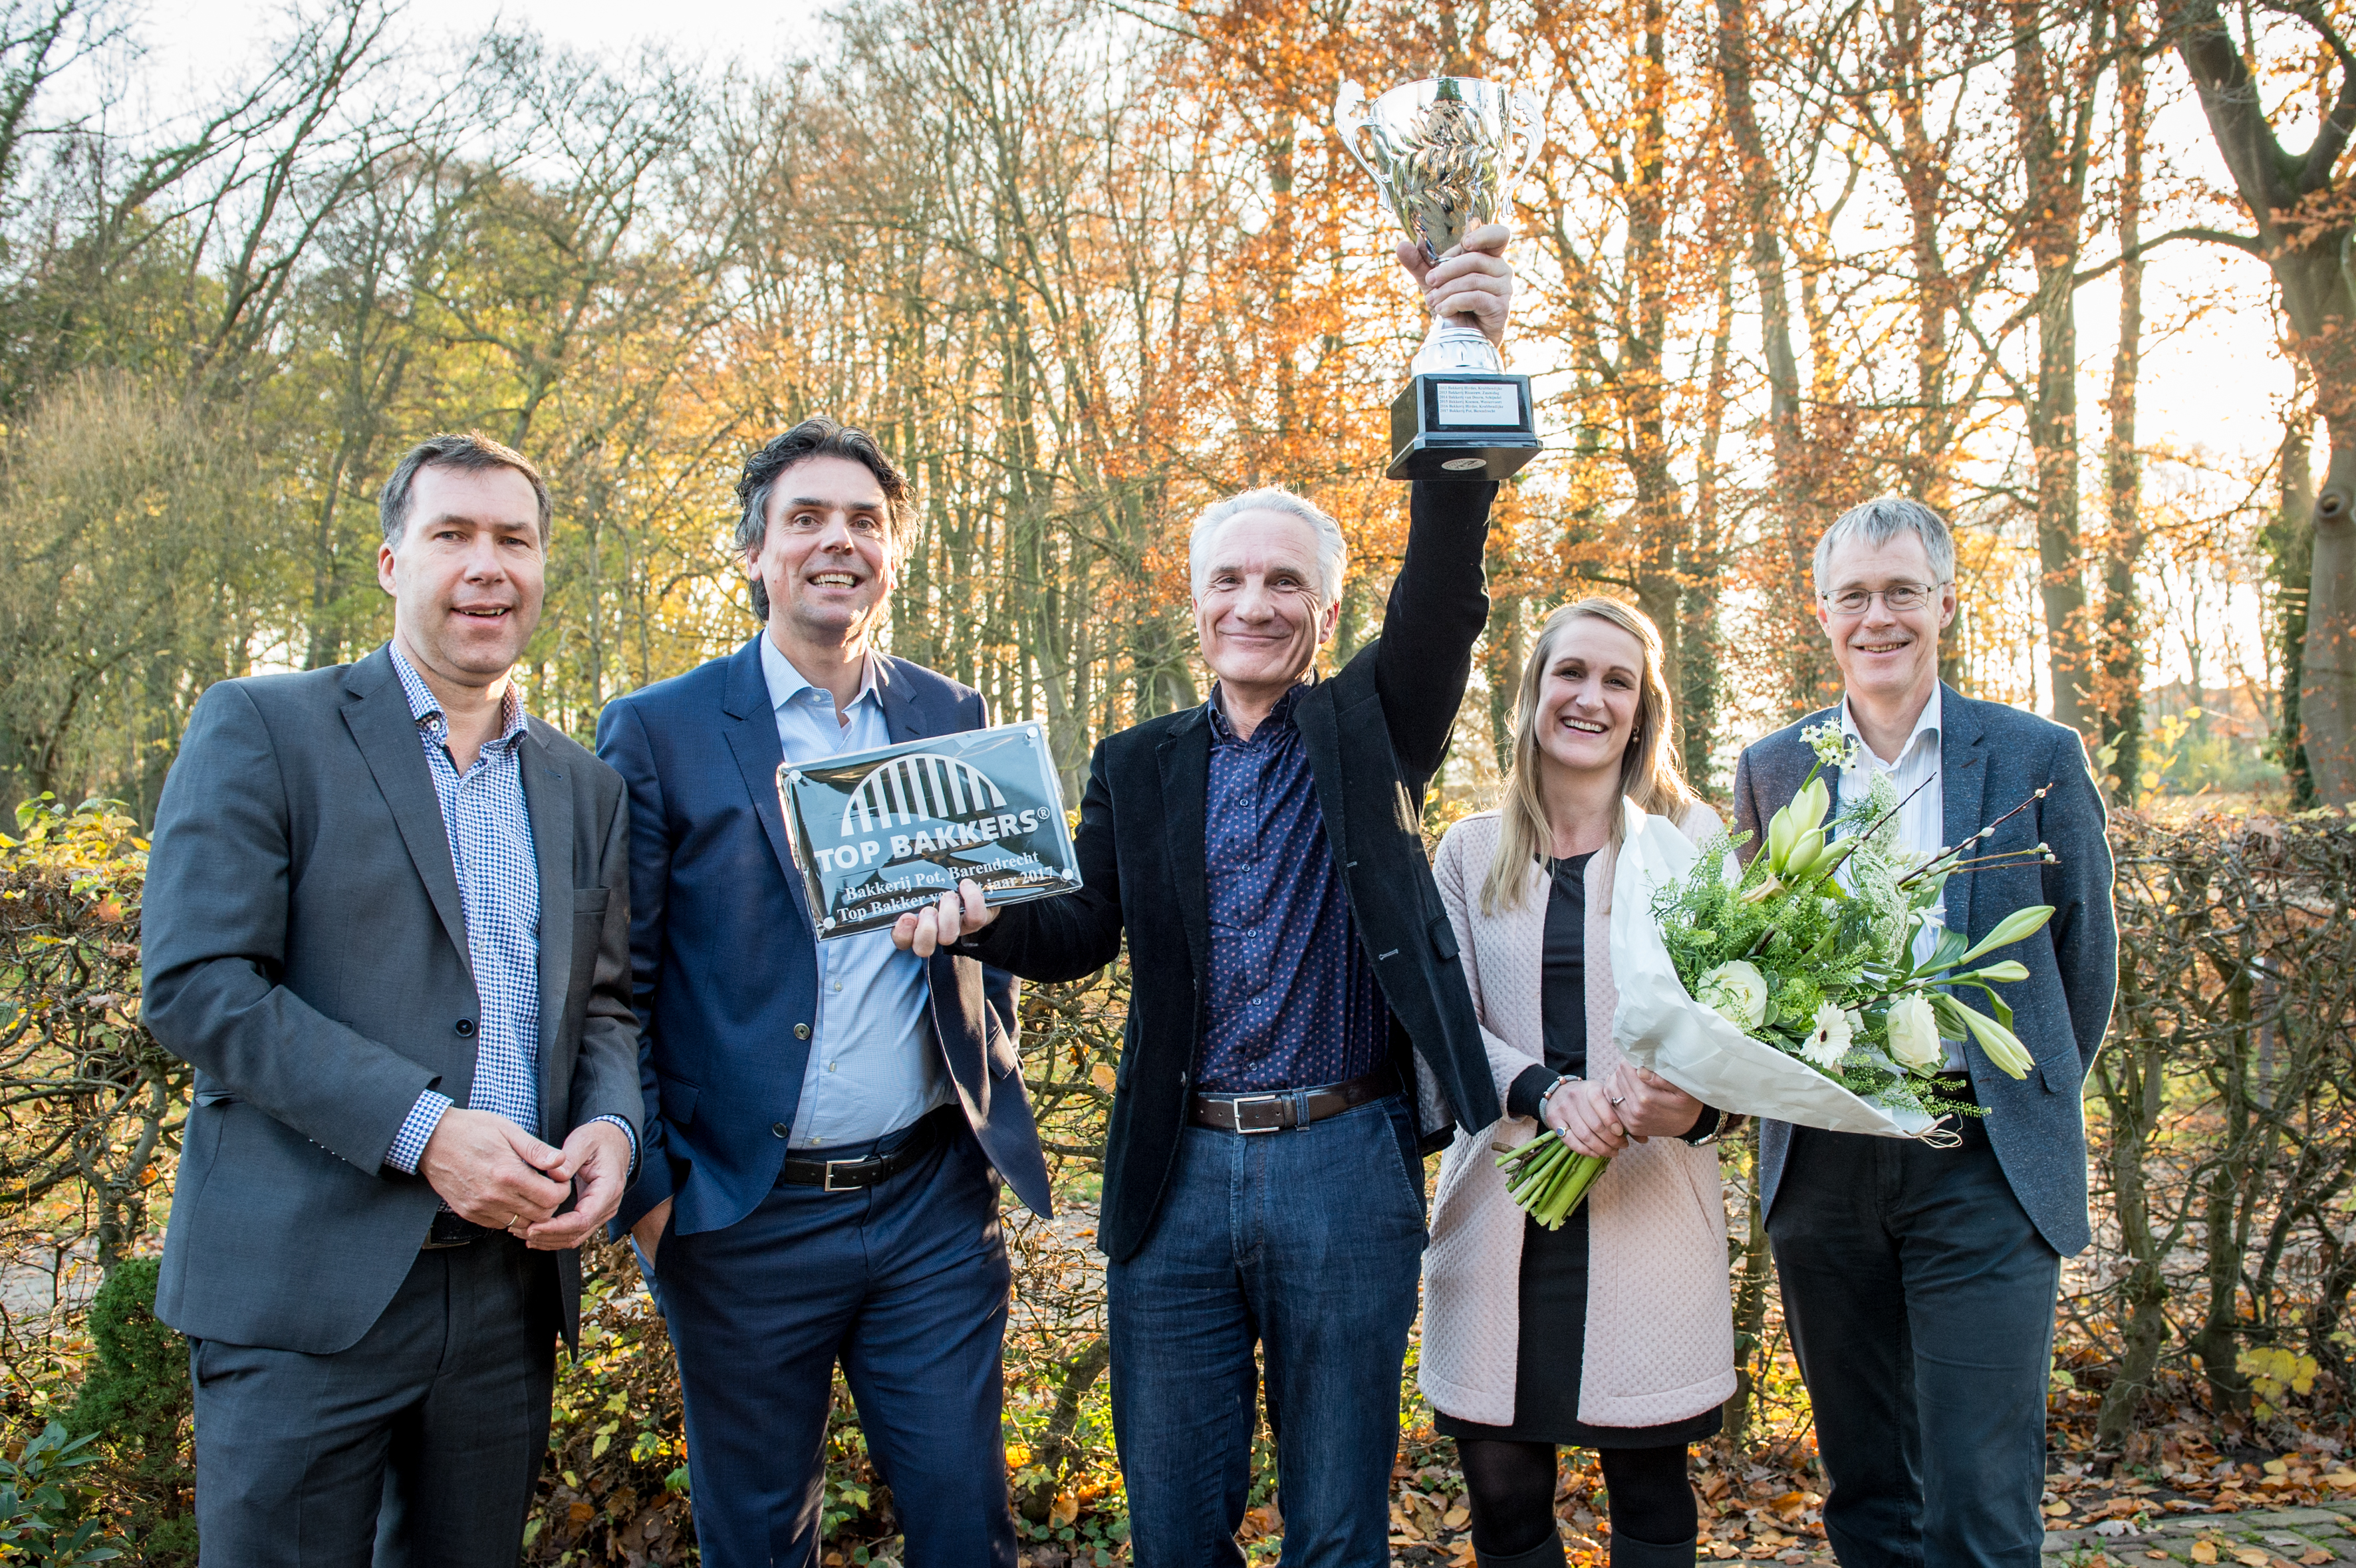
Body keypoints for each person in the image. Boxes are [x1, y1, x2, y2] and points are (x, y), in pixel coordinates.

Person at [893, 227, 1517, 1567]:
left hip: (1343, 1171)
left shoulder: (1371, 731)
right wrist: (977, 916)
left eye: (1283, 581)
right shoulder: (1136, 764)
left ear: (1323, 604)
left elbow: (1444, 588)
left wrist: (1461, 349)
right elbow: (1076, 935)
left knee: (1334, 1527)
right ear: (1193, 606)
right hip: (1172, 1176)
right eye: (1228, 580)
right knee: (1174, 1526)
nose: (1254, 603)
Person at [142, 432, 643, 1566]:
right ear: (389, 561)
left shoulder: (585, 785)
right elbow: (197, 986)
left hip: (508, 1297)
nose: (487, 565)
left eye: (514, 539)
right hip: (306, 1289)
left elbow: (604, 1006)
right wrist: (422, 1133)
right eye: (452, 534)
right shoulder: (264, 727)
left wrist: (613, 1128)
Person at [597, 417, 1051, 1568]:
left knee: (966, 1526)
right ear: (755, 551)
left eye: (864, 520)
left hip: (927, 1207)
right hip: (741, 1216)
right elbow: (618, 981)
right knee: (755, 1540)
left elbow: (995, 938)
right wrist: (656, 1201)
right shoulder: (660, 731)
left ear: (893, 552)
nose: (835, 541)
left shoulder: (954, 715)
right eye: (806, 518)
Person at [1730, 497, 2118, 1568]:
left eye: (1902, 590)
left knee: (1981, 1500)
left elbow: (2081, 966)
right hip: (1823, 1167)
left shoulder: (2037, 755)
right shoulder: (1775, 767)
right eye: (1853, 595)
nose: (1878, 616)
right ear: (1822, 612)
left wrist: (2015, 1099)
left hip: (1982, 1159)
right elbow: (1752, 963)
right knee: (1868, 1491)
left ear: (1945, 601)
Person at [1419, 598, 1737, 1568]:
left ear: (1643, 710)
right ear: (1532, 693)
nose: (1591, 697)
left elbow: (1740, 1028)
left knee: (1650, 1484)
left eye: (1618, 680)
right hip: (1501, 1213)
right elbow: (1441, 1032)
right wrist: (1544, 1090)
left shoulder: (1688, 842)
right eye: (1571, 673)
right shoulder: (1468, 852)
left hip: (1651, 1212)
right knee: (1505, 1496)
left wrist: (1693, 1103)